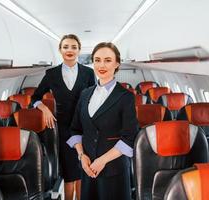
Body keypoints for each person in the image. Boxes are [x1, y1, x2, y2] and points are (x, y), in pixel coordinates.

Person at [67, 42, 138, 200]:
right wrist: (81, 156)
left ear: (117, 63)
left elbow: (130, 137)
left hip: (113, 170)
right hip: (87, 168)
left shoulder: (125, 97)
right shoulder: (85, 94)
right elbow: (75, 129)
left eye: (107, 60)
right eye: (97, 60)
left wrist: (101, 161)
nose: (102, 65)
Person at [31, 34, 95, 200]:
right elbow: (35, 97)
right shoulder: (51, 74)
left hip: (84, 127)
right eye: (66, 46)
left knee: (82, 170)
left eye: (74, 47)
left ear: (79, 50)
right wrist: (44, 108)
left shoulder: (88, 73)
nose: (70, 50)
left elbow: (94, 99)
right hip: (63, 128)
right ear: (60, 50)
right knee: (68, 173)